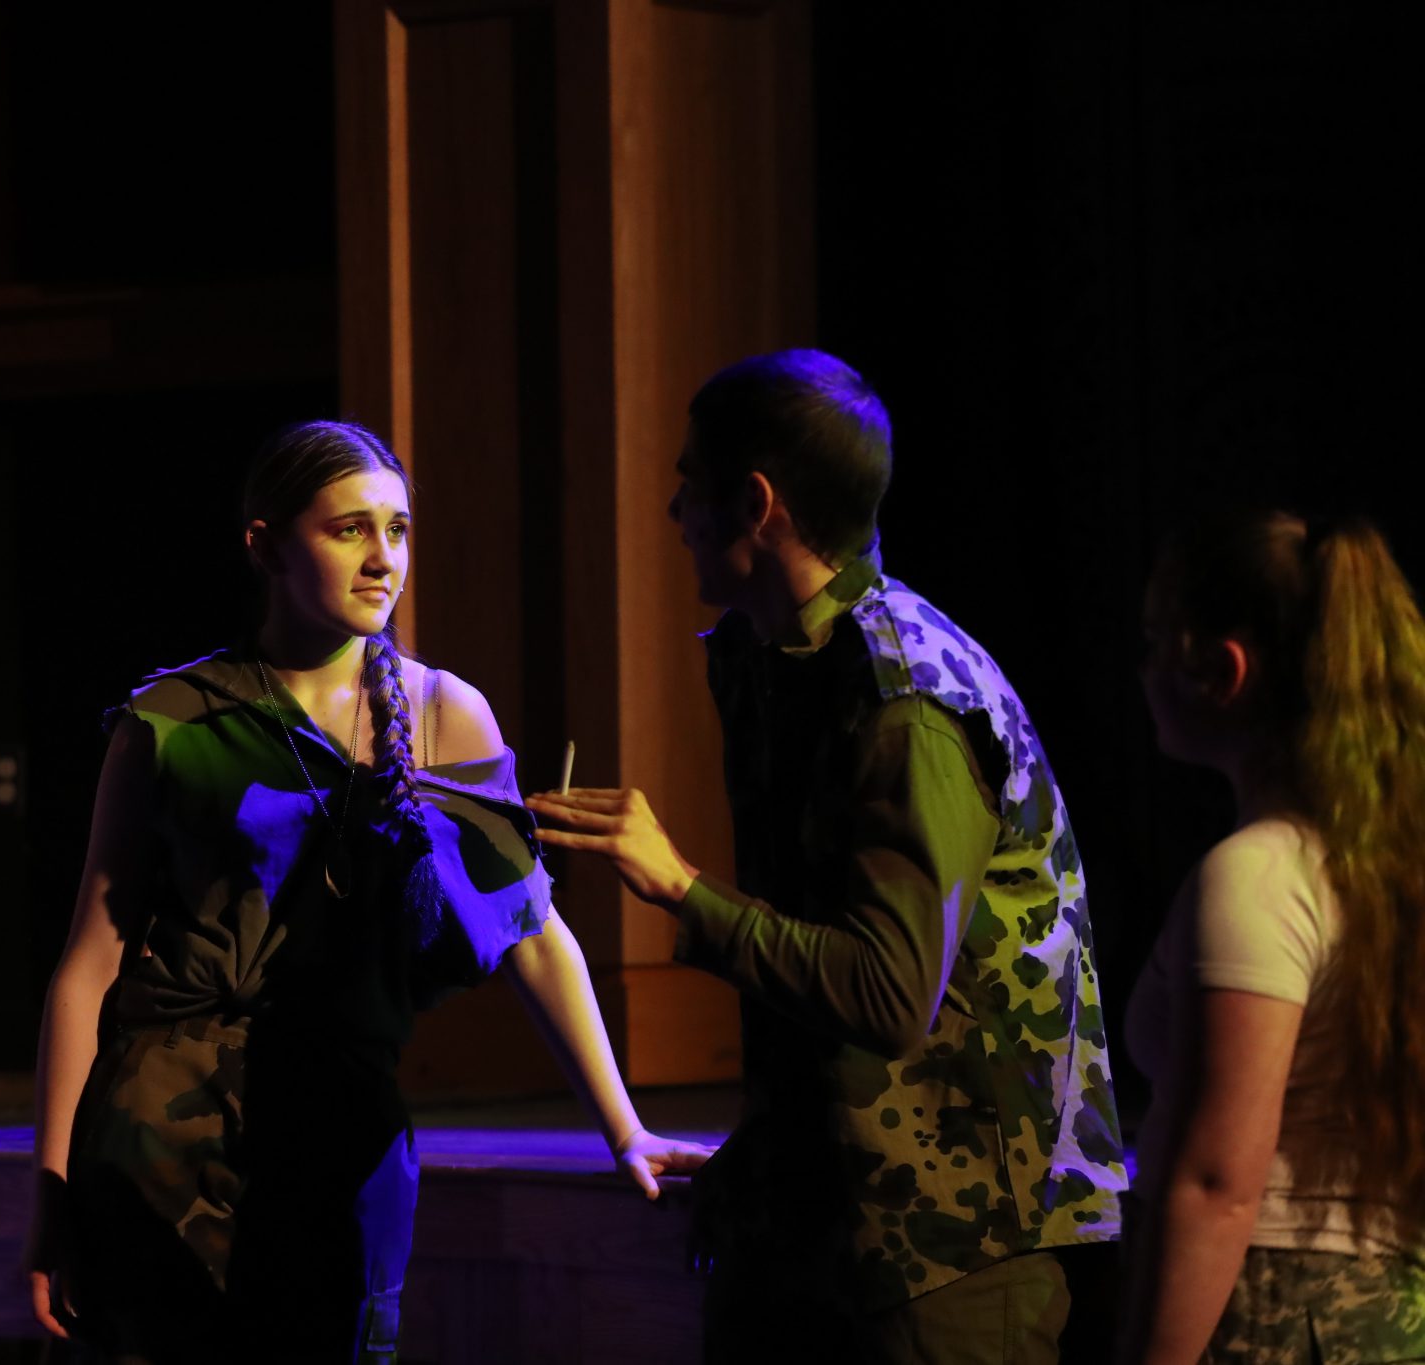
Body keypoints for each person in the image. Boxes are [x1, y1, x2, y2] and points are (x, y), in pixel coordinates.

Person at [26, 420, 711, 1363]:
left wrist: (623, 1127)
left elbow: (532, 930)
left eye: (397, 529)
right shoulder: (172, 720)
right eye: (349, 529)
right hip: (161, 1134)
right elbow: (88, 965)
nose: (382, 557)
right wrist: (51, 1193)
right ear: (266, 544)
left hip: (340, 1127)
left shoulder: (441, 713)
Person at [528, 350, 1126, 1362]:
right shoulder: (778, 658)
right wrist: (765, 1159)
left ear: (754, 504)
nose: (673, 510)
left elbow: (887, 993)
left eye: (689, 481)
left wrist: (678, 886)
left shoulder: (906, 701)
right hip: (827, 1219)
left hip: (949, 1245)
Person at [1118, 509, 1425, 1362]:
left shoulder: (1259, 875)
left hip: (1274, 1316)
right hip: (1391, 1317)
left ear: (1223, 669)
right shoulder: (1387, 871)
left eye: (1156, 642)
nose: (1142, 670)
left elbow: (1215, 1185)